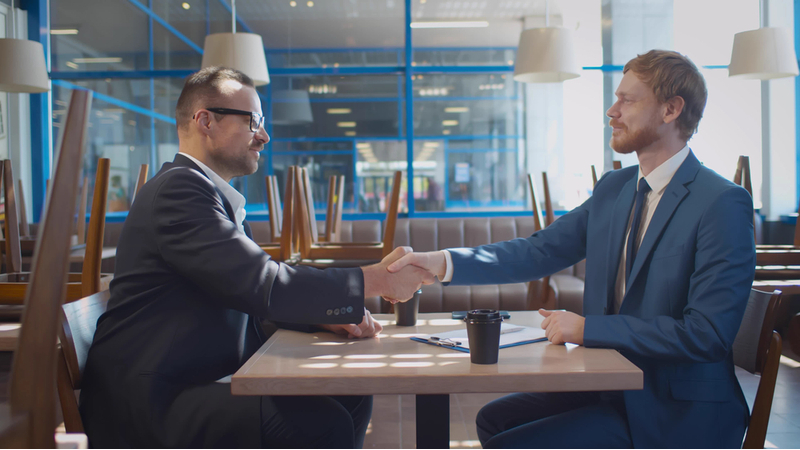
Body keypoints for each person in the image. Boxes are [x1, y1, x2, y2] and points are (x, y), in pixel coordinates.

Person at [387, 50, 755, 448]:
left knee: (507, 440)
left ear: (670, 109)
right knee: (496, 418)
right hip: (609, 385)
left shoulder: (721, 202)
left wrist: (587, 328)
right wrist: (439, 263)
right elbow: (537, 252)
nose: (611, 111)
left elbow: (706, 334)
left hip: (675, 411)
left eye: (627, 100)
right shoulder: (614, 189)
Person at [79, 66, 434, 448]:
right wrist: (379, 279)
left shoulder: (210, 195)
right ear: (205, 121)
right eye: (253, 121)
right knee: (320, 422)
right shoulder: (178, 191)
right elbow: (262, 281)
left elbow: (250, 294)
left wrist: (322, 318)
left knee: (349, 391)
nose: (263, 136)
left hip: (194, 380)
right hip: (154, 401)